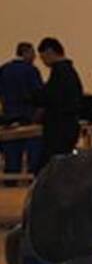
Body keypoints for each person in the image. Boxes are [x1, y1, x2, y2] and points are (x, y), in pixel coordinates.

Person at [34, 36, 84, 170]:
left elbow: (50, 96)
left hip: (59, 126)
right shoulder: (70, 71)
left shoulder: (60, 72)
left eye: (43, 57)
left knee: (48, 166)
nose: (43, 61)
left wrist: (34, 97)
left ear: (50, 52)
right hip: (69, 124)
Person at [0, 41, 45, 180]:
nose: (34, 57)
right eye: (32, 53)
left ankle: (10, 182)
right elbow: (39, 95)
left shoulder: (4, 69)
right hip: (29, 118)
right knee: (33, 157)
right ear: (25, 53)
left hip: (9, 118)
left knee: (12, 157)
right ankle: (32, 182)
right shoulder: (31, 70)